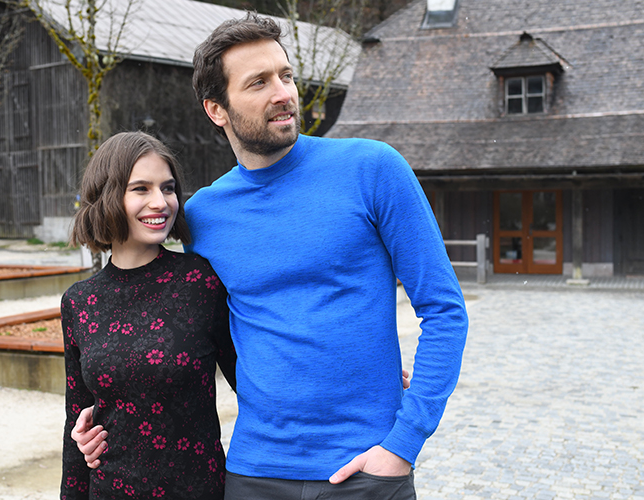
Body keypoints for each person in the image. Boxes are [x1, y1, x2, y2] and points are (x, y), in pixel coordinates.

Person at [77, 12, 468, 500]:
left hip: (366, 470)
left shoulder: (373, 169)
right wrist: (107, 421)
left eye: (286, 76)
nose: (282, 93)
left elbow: (444, 310)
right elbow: (188, 341)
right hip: (253, 472)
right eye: (258, 82)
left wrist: (403, 444)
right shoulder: (203, 216)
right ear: (216, 109)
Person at [59, 131, 236, 499]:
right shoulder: (79, 302)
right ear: (108, 197)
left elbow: (251, 385)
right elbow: (76, 418)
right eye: (141, 189)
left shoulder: (201, 282)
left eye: (168, 188)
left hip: (198, 491)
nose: (161, 202)